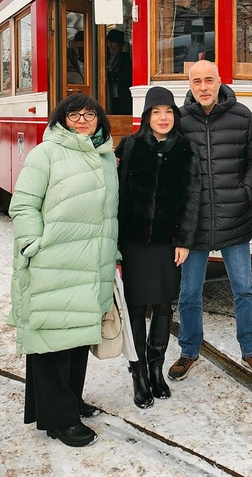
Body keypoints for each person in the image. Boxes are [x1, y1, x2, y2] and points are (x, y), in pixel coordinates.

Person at [8, 94, 119, 448]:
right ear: (63, 118)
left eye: (90, 114)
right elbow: (23, 203)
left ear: (100, 119)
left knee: (77, 337)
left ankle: (69, 401)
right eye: (76, 114)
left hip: (91, 261)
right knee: (51, 341)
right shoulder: (47, 152)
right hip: (54, 260)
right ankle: (58, 419)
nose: (84, 119)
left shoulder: (104, 158)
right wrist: (32, 243)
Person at [167, 60, 252, 381]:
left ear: (219, 80)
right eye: (196, 81)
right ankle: (188, 350)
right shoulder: (180, 120)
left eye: (208, 79)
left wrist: (246, 192)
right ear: (190, 84)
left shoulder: (242, 117)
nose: (203, 87)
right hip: (194, 223)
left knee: (243, 289)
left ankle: (251, 349)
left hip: (234, 218)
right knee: (189, 292)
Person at [116, 86, 201, 409]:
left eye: (168, 112)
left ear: (175, 116)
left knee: (164, 306)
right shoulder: (131, 146)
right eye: (156, 112)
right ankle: (137, 372)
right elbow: (118, 194)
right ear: (147, 116)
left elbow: (192, 198)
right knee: (136, 308)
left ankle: (156, 367)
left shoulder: (186, 149)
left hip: (168, 242)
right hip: (134, 241)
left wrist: (184, 239)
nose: (163, 118)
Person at [106, 28, 132, 115]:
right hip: (109, 96)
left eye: (113, 42)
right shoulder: (107, 57)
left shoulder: (125, 58)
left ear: (121, 44)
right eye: (108, 42)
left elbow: (125, 76)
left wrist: (109, 75)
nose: (110, 45)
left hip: (121, 97)